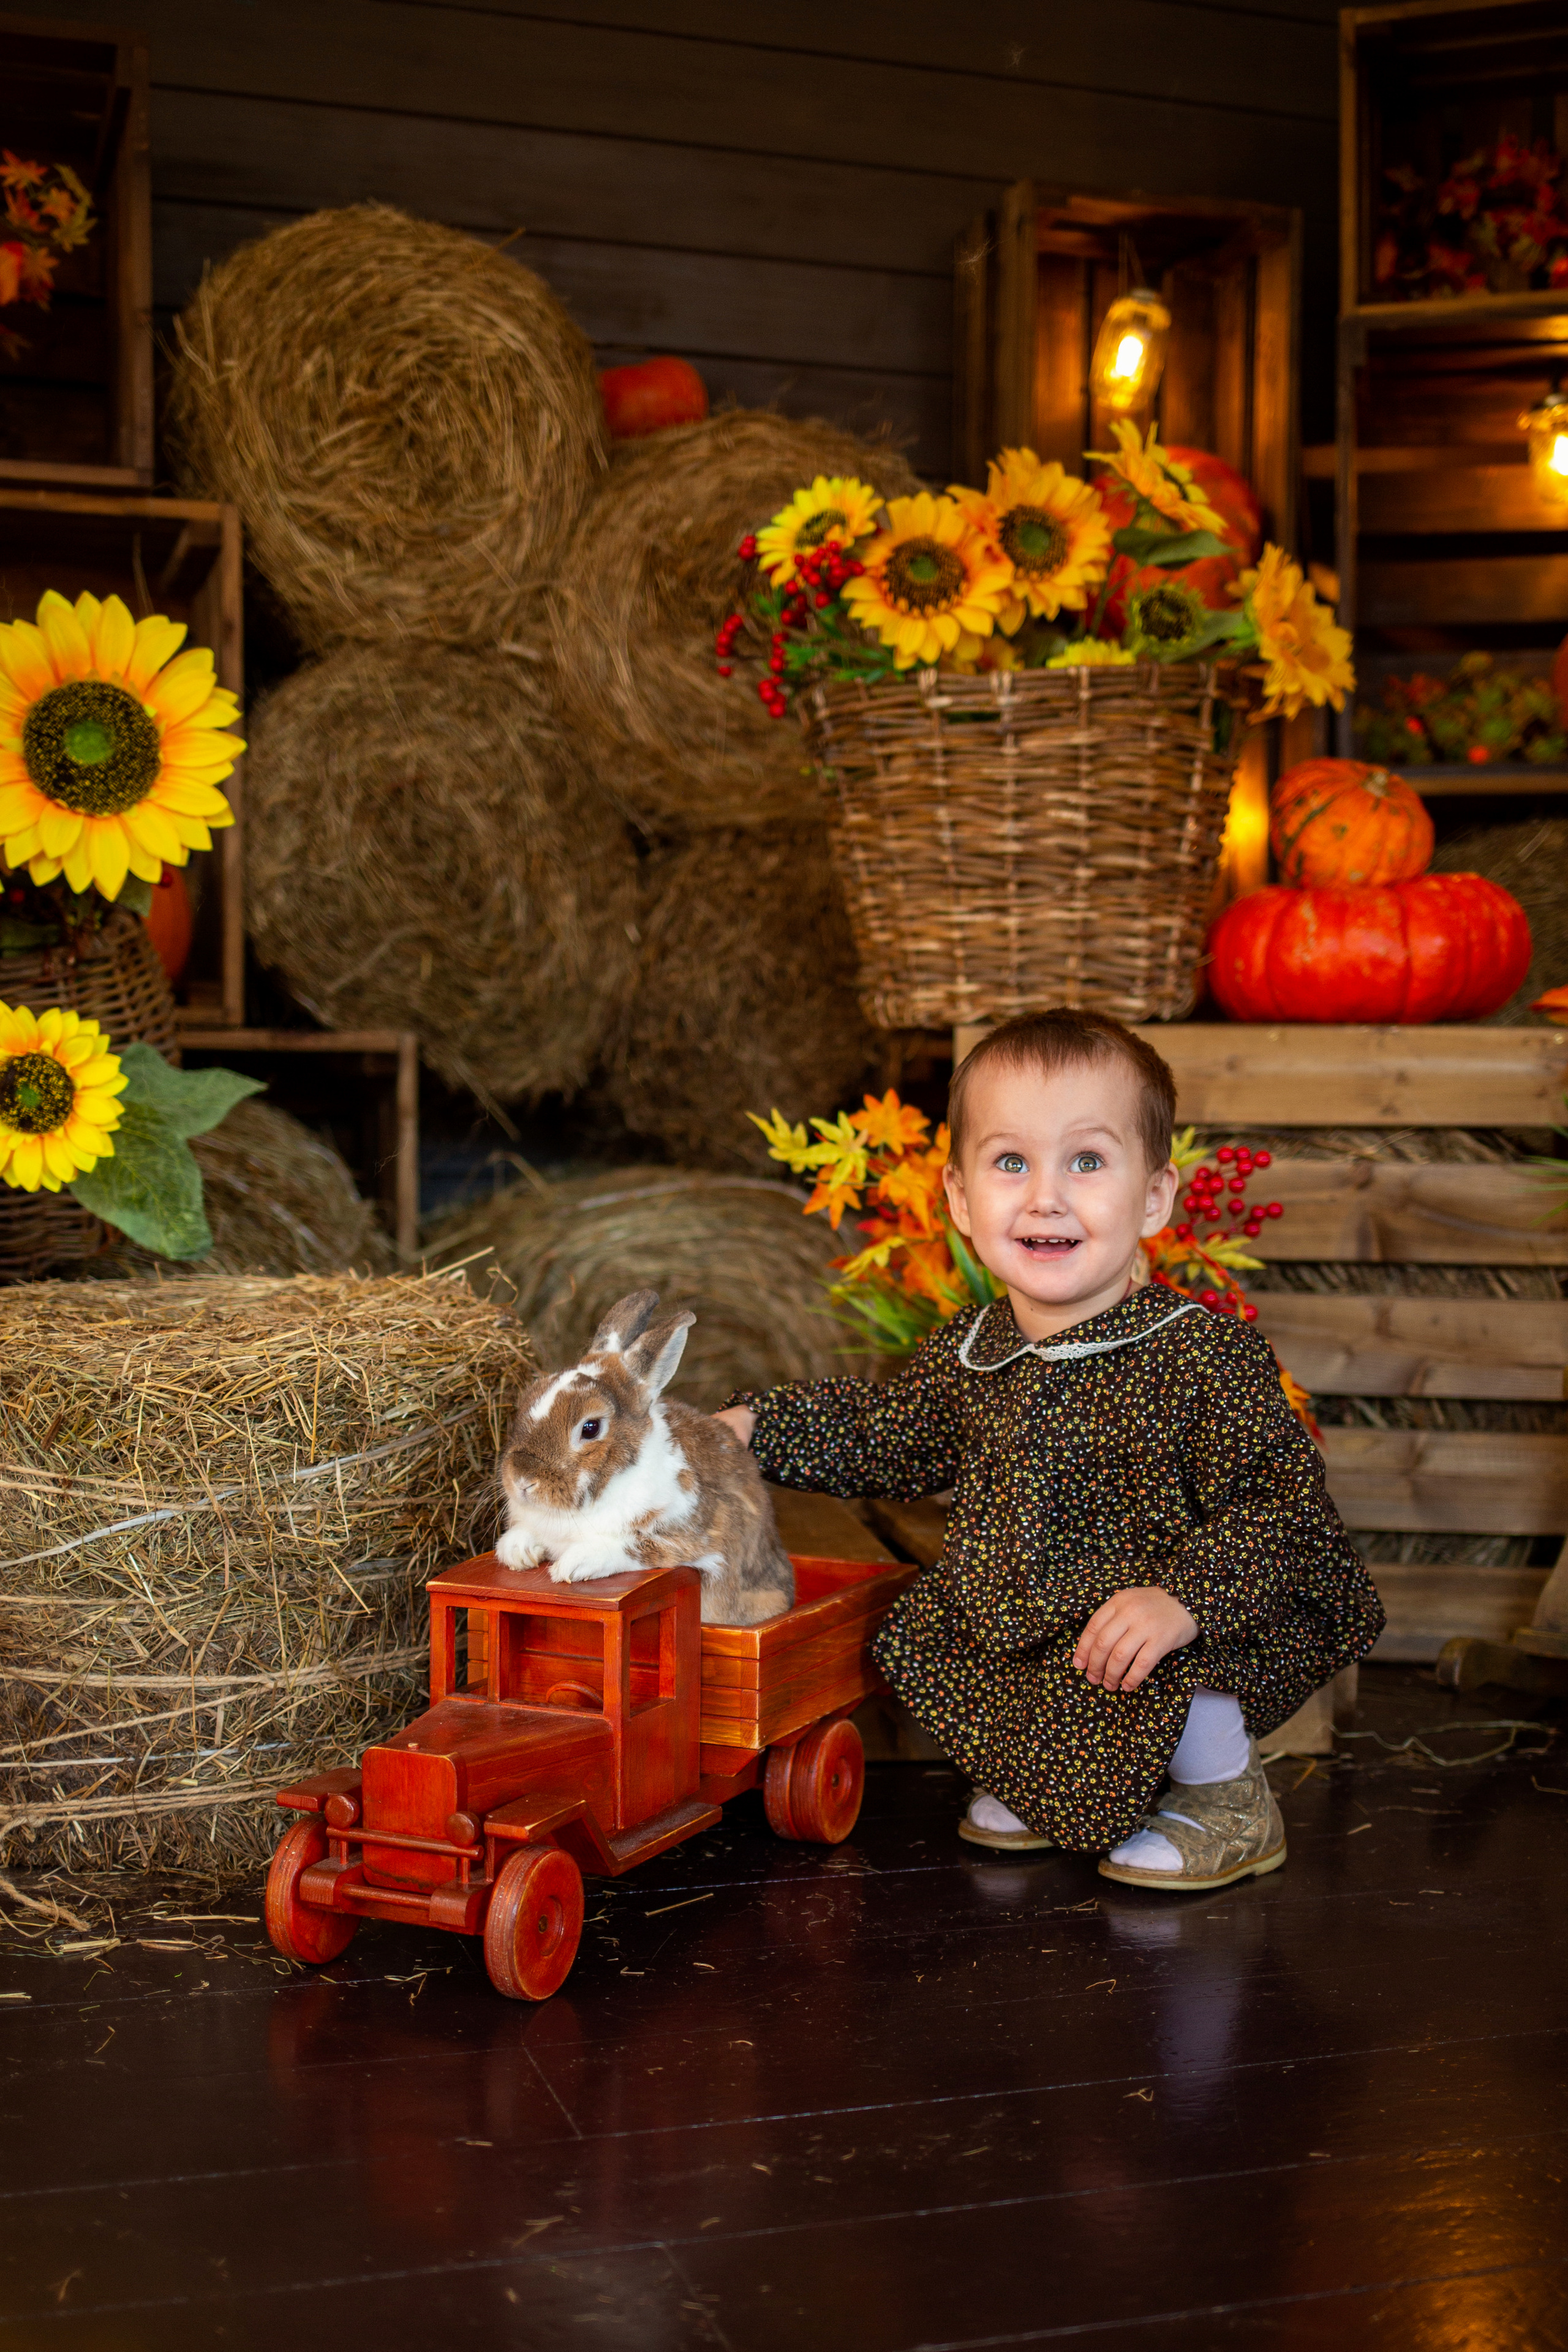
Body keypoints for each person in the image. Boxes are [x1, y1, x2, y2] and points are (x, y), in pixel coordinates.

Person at [715, 1009, 1384, 1891]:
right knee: (942, 1628)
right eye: (1010, 1162)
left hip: (1185, 1607)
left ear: (1154, 1196)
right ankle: (1057, 1780)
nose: (1045, 1197)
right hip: (1048, 1607)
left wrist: (1182, 1598)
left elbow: (1283, 1510)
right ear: (959, 1198)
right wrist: (755, 1429)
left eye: (1088, 1161)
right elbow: (894, 1436)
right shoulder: (976, 1346)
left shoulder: (1198, 1354)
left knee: (1151, 1644)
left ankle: (1226, 1799)